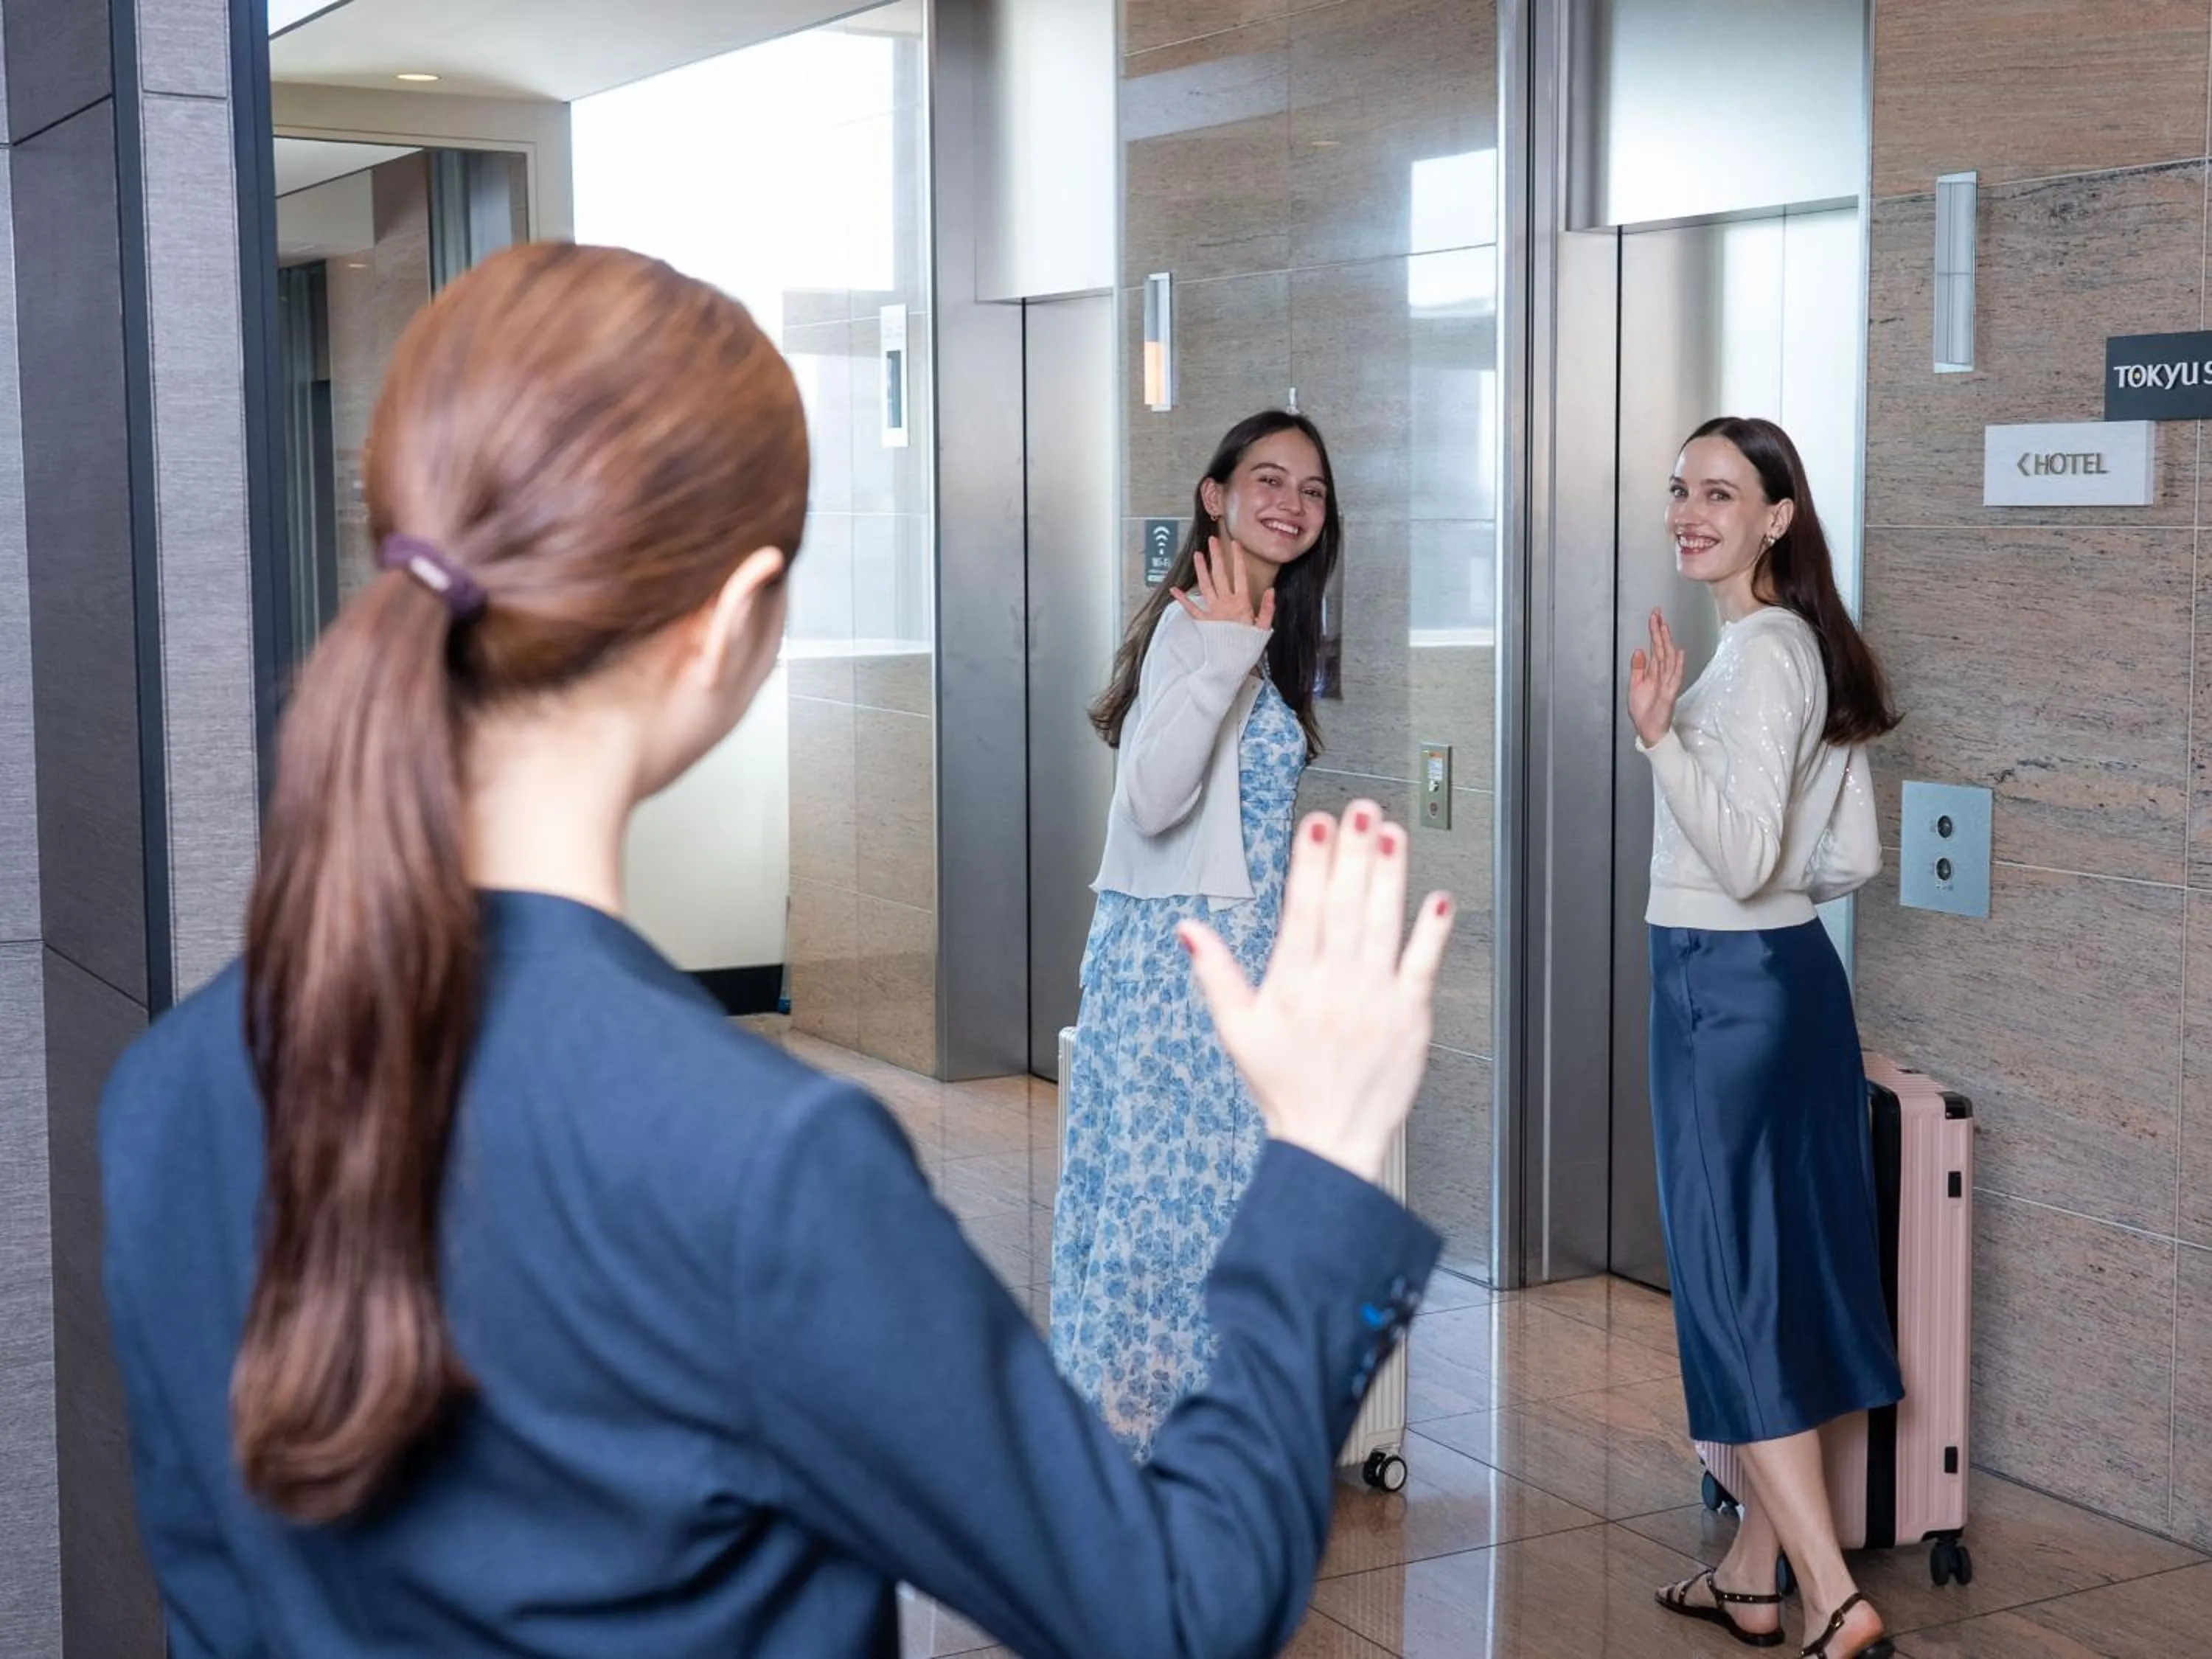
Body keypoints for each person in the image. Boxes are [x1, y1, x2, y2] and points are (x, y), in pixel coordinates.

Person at [97, 245, 1455, 1659]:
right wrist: (1325, 1167)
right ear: (731, 620)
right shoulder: (774, 1169)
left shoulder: (170, 1088)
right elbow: (1172, 1608)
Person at [1632, 415, 1902, 1659]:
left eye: (1722, 493)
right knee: (1791, 1275)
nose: (1691, 510)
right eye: (1682, 488)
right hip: (1795, 977)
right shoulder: (1809, 647)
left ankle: (1833, 1594)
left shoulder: (1755, 659)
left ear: (1778, 516)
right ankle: (1754, 1573)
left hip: (1719, 984)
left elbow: (1737, 856)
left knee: (1740, 1287)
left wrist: (1659, 740)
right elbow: (1846, 854)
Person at [1051, 410, 1343, 1458]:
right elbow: (1156, 794)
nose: (1292, 503)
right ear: (1213, 495)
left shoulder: (1256, 627)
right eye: (1267, 479)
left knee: (1198, 1228)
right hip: (1180, 981)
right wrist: (1222, 651)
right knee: (1168, 1234)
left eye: (1312, 490)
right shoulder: (1199, 625)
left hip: (1226, 969)